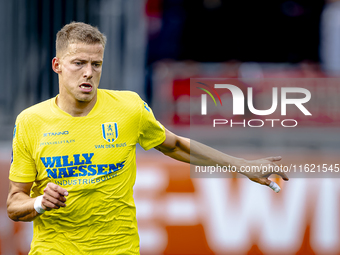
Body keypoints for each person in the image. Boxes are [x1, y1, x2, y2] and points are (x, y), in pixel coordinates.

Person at [7, 22, 288, 255]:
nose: (88, 73)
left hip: (119, 249)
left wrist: (242, 165)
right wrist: (39, 203)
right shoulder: (31, 122)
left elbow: (175, 145)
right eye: (78, 63)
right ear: (57, 64)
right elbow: (14, 203)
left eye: (96, 64)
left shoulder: (129, 108)